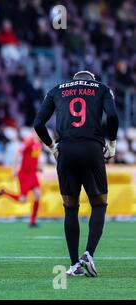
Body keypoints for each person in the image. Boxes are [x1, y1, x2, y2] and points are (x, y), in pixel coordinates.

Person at [33, 70, 119, 277]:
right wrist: (113, 144)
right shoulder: (102, 88)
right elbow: (113, 116)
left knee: (70, 208)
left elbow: (38, 124)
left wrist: (53, 147)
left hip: (66, 151)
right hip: (92, 148)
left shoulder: (56, 90)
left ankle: (74, 265)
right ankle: (88, 254)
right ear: (92, 80)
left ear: (73, 81)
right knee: (99, 203)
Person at [0, 130, 42, 228]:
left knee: (37, 195)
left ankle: (33, 221)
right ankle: (4, 192)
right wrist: (14, 169)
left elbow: (34, 158)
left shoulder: (39, 144)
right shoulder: (28, 142)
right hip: (24, 174)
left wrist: (37, 167)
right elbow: (18, 154)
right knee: (22, 200)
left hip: (33, 174)